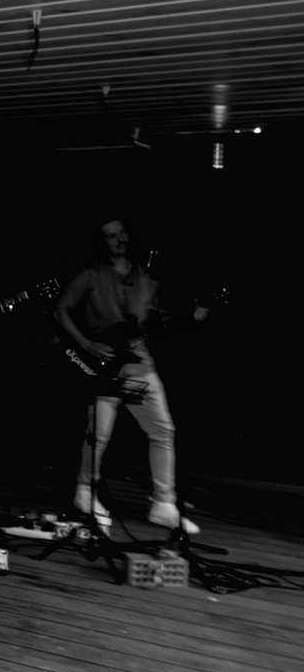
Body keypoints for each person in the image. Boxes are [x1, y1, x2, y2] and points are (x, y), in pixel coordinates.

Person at [54, 216, 199, 534]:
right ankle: (84, 492)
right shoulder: (91, 274)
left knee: (163, 430)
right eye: (111, 235)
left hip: (138, 362)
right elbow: (61, 309)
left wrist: (188, 316)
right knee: (99, 433)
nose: (119, 239)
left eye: (122, 233)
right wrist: (87, 344)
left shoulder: (147, 276)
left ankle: (164, 504)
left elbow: (154, 319)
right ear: (101, 241)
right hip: (103, 362)